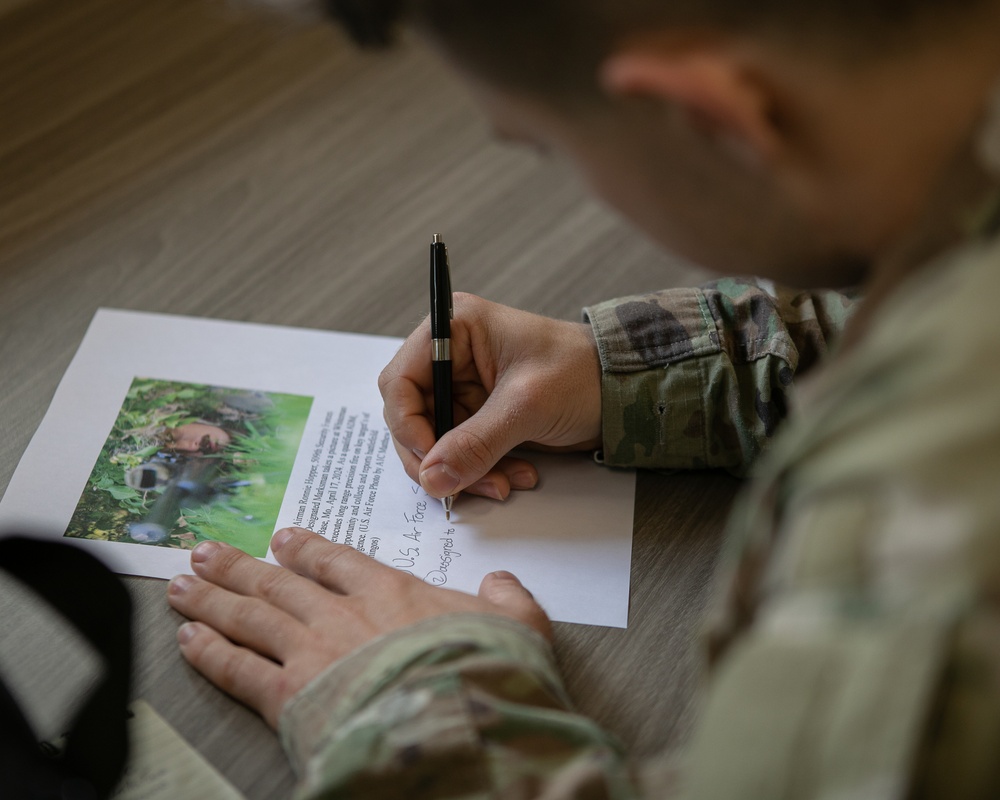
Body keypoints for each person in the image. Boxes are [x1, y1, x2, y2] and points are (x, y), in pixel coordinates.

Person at [167, 1, 1000, 797]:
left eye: (540, 147)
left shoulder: (941, 547)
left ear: (707, 120)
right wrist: (636, 369)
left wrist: (423, 709)